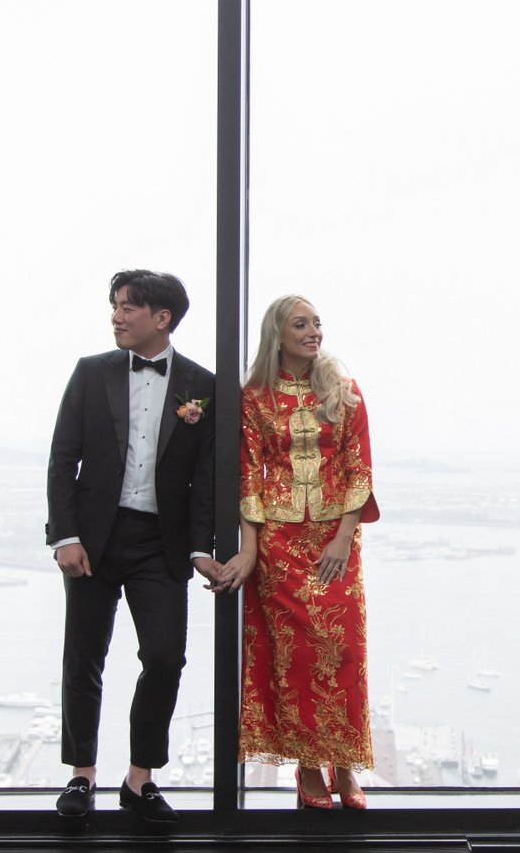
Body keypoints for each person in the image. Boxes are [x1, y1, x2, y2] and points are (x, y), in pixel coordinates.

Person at [46, 269, 227, 821]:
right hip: (93, 540)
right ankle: (82, 776)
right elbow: (63, 457)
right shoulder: (90, 372)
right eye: (115, 306)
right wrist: (66, 537)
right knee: (84, 657)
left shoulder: (203, 385)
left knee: (167, 657)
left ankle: (138, 778)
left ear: (161, 317)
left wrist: (201, 548)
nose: (116, 316)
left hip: (161, 544)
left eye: (127, 307)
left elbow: (204, 479)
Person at [221, 294, 379, 811]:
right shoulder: (255, 398)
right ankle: (310, 768)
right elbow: (248, 475)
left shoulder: (343, 390)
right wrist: (250, 550)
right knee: (300, 657)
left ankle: (347, 764)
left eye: (317, 323)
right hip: (281, 547)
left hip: (336, 543)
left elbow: (360, 471)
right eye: (301, 324)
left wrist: (341, 537)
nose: (314, 332)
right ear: (279, 334)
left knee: (345, 653)